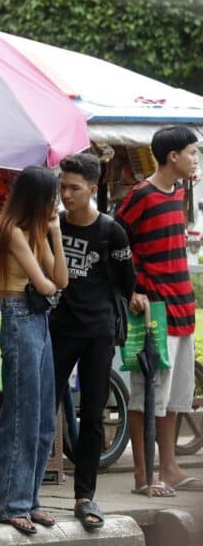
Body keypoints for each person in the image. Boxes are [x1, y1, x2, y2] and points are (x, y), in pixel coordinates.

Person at [0, 166, 68, 535]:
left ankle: (28, 501)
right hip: (18, 319)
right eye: (54, 197)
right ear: (38, 198)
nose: (58, 203)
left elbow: (60, 279)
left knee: (45, 415)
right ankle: (11, 505)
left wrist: (56, 233)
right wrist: (49, 282)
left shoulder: (36, 230)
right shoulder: (12, 230)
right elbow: (46, 286)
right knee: (23, 413)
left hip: (37, 322)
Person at [50, 153, 136, 529]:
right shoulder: (52, 225)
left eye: (74, 188)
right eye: (62, 187)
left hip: (98, 333)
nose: (66, 194)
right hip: (58, 330)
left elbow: (125, 280)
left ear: (91, 189)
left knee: (93, 416)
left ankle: (85, 496)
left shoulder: (111, 231)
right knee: (40, 409)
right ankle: (22, 495)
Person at [115, 126, 201, 496]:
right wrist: (133, 289)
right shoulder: (141, 195)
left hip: (183, 308)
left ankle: (169, 468)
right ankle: (142, 476)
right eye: (193, 152)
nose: (196, 159)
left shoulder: (180, 192)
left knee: (175, 396)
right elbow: (115, 244)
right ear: (173, 156)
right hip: (154, 311)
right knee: (146, 394)